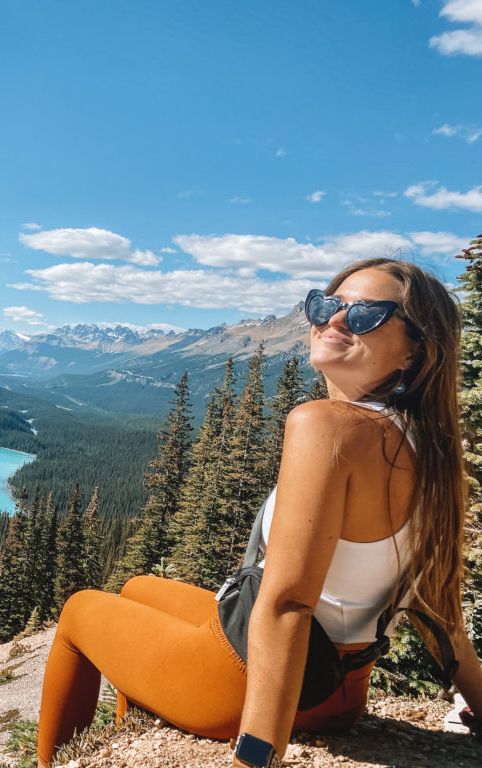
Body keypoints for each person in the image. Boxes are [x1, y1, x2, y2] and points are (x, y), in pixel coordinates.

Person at [37, 258, 482, 768]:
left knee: (77, 610)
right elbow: (438, 608)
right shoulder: (430, 446)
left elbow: (289, 603)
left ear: (413, 351)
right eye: (325, 304)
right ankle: (141, 723)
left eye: (364, 314)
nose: (334, 320)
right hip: (341, 691)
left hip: (246, 682)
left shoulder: (327, 425)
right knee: (138, 587)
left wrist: (253, 758)